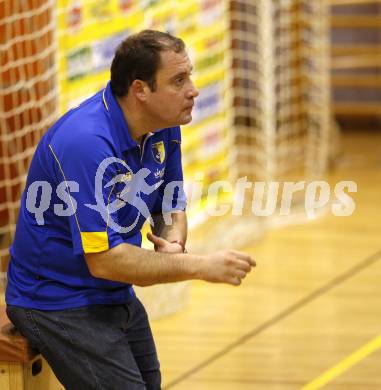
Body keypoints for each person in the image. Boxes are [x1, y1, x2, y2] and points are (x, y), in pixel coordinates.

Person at [5, 30, 255, 390]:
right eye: (179, 80)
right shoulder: (85, 143)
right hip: (55, 299)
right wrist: (201, 266)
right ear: (140, 90)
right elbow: (104, 260)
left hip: (112, 291)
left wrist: (173, 241)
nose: (194, 90)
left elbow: (170, 205)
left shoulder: (163, 127)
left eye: (191, 76)